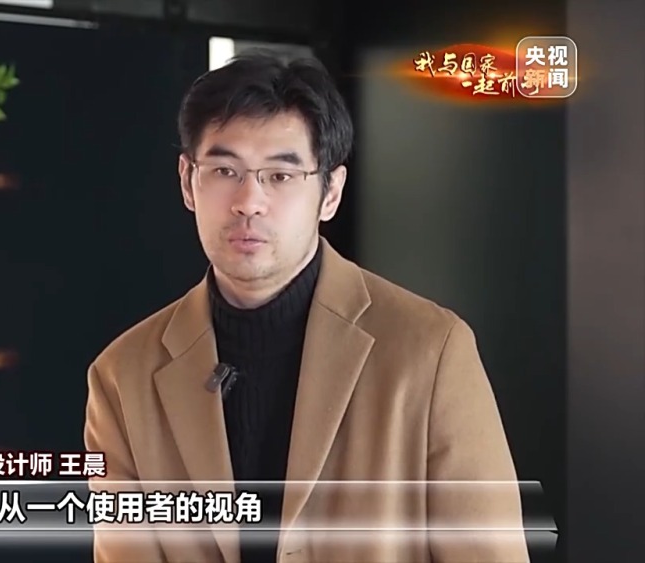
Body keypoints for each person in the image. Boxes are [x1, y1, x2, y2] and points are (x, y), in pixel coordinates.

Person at [84, 52, 528, 563]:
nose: (249, 201)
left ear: (330, 192)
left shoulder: (430, 351)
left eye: (280, 175)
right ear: (188, 181)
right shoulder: (123, 377)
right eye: (225, 170)